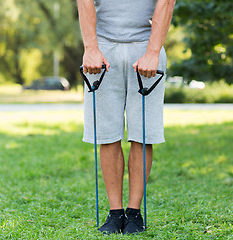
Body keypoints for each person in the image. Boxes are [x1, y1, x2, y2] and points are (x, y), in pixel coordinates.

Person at [77, 0, 175, 235]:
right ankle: (115, 212)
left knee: (142, 133)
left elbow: (167, 1)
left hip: (146, 46)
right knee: (107, 133)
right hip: (102, 50)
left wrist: (152, 52)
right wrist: (91, 48)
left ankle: (133, 213)